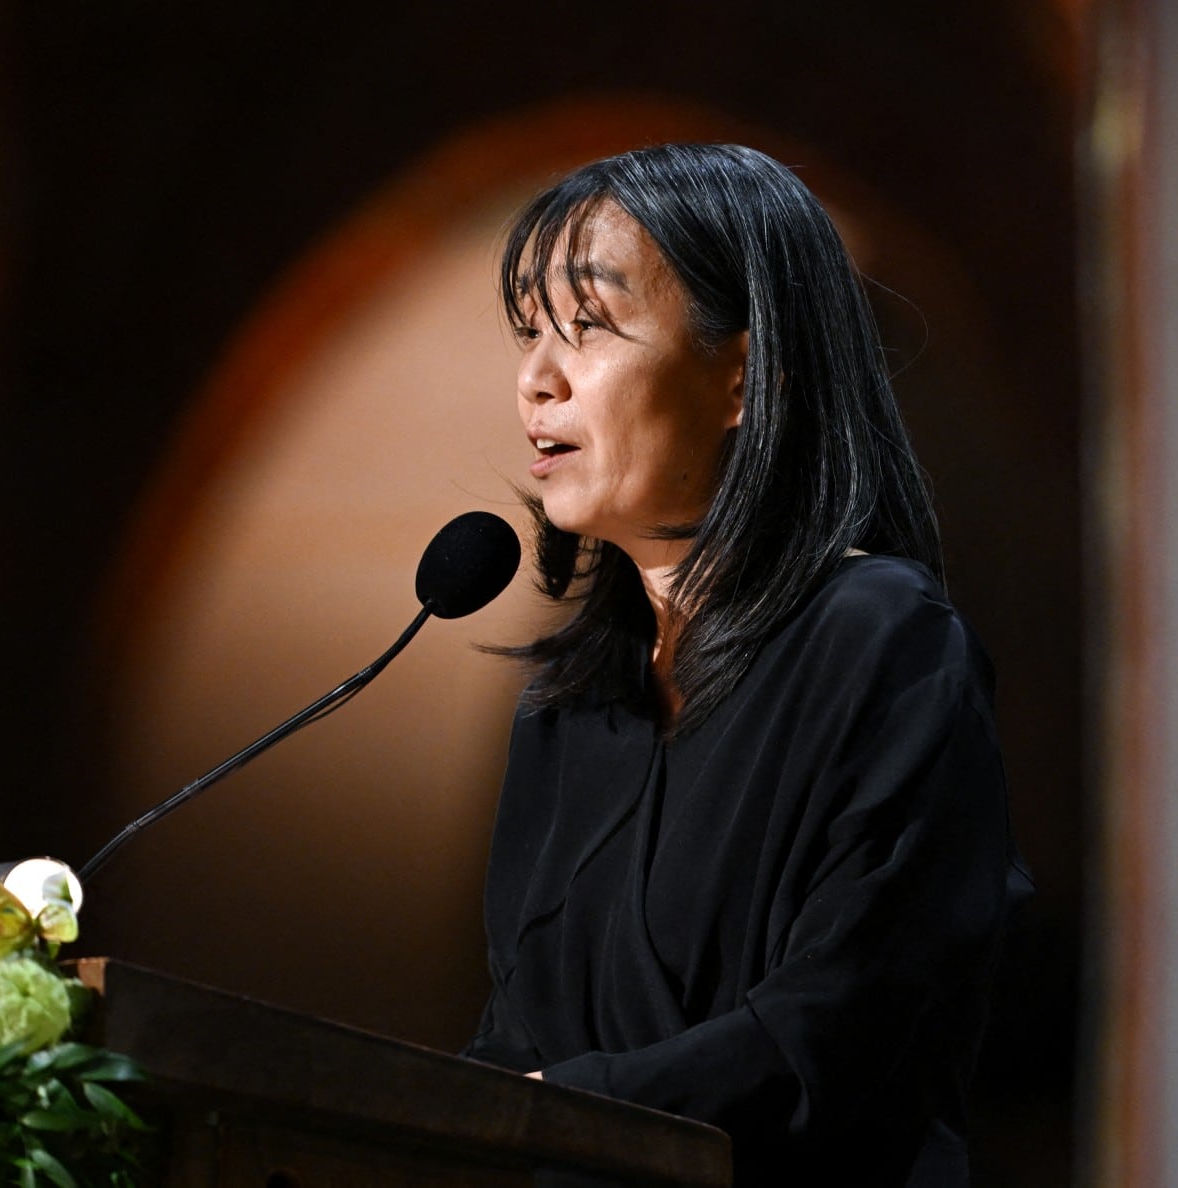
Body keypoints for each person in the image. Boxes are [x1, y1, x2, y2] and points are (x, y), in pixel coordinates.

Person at [464, 143, 1030, 1186]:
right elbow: (514, 1039)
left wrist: (548, 1114)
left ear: (743, 376)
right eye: (530, 330)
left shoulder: (882, 641)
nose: (537, 379)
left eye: (588, 325)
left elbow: (838, 1026)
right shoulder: (568, 704)